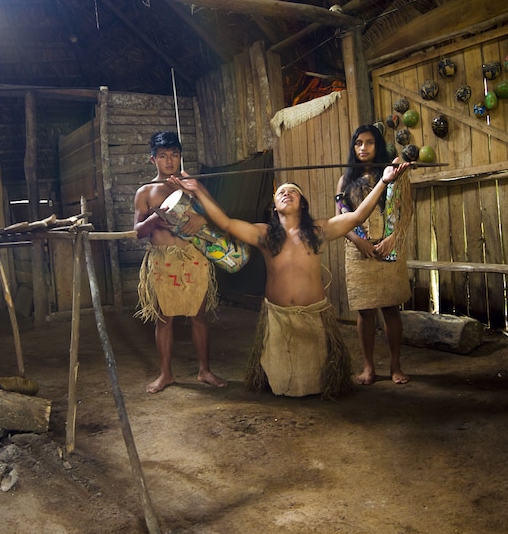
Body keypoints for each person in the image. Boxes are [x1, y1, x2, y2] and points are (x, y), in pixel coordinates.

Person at [170, 160, 410, 398]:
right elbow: (225, 223)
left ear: (302, 204)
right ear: (274, 206)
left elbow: (357, 217)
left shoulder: (318, 231)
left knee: (318, 383)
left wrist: (384, 181)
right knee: (280, 383)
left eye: (292, 192)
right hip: (278, 318)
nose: (286, 194)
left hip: (313, 317)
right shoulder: (264, 234)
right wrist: (198, 191)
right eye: (281, 192)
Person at [133, 131, 228, 394]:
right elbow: (138, 231)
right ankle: (166, 375)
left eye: (174, 154)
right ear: (153, 159)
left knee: (199, 316)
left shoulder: (191, 185)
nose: (169, 160)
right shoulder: (146, 191)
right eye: (163, 156)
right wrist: (153, 220)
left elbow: (218, 215)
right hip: (163, 261)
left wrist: (203, 220)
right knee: (164, 318)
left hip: (194, 257)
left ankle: (204, 371)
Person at [335, 124, 413, 385]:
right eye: (358, 143)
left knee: (391, 308)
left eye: (369, 143)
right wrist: (358, 242)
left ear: (378, 146)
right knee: (365, 311)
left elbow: (406, 213)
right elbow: (341, 218)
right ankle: (368, 367)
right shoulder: (345, 181)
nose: (363, 148)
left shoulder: (395, 175)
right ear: (353, 147)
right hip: (359, 252)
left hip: (389, 248)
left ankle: (395, 365)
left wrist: (393, 237)